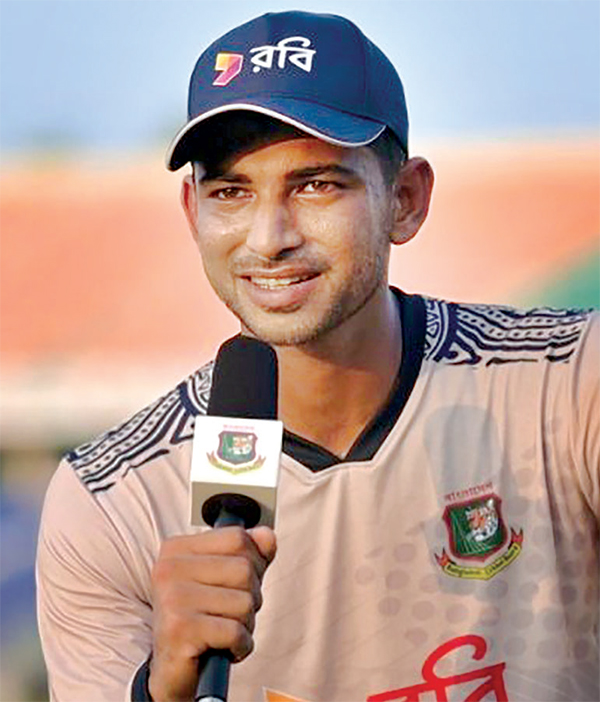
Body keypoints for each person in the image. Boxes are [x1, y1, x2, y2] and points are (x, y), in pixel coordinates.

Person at [36, 10, 599, 702]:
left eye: (316, 185)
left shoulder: (568, 383)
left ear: (405, 199)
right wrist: (160, 690)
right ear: (192, 212)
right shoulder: (111, 500)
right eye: (231, 192)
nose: (269, 238)